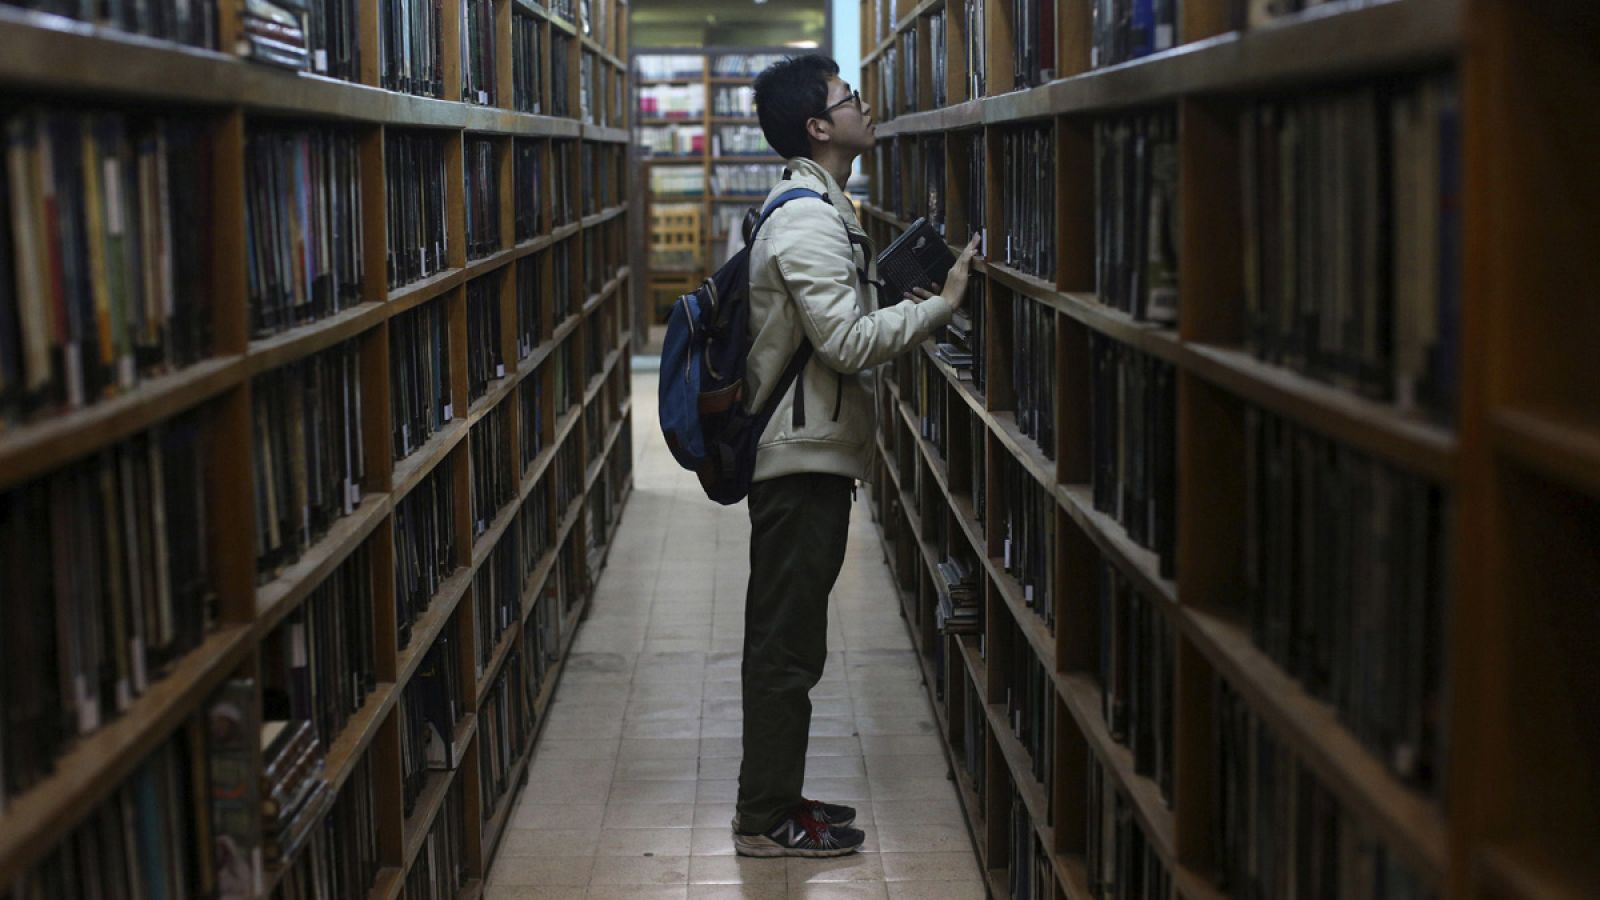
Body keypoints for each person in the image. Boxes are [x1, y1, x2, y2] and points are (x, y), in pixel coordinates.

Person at [733, 54, 981, 858]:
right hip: (798, 463)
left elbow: (831, 324)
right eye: (850, 98)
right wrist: (938, 310)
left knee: (791, 640)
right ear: (817, 126)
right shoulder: (806, 216)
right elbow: (841, 343)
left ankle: (776, 795)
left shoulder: (821, 204)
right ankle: (766, 819)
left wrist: (892, 305)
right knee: (785, 644)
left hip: (814, 456)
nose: (864, 106)